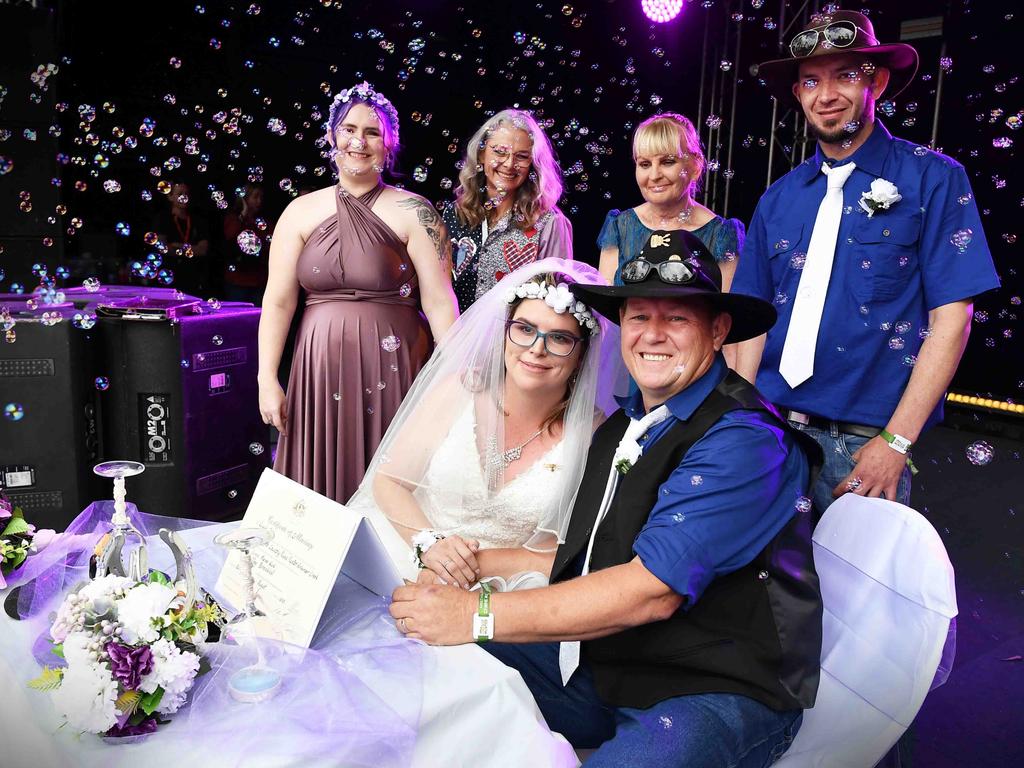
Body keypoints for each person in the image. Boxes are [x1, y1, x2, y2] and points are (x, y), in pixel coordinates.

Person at [390, 230, 824, 766]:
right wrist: (464, 568)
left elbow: (650, 591)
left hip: (712, 686)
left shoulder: (749, 442)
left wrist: (475, 613)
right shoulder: (621, 425)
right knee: (412, 663)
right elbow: (588, 559)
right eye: (640, 316)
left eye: (679, 318)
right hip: (608, 662)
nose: (653, 335)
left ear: (718, 331)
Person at [733, 9, 1000, 515]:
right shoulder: (778, 198)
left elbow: (952, 320)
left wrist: (896, 442)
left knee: (852, 594)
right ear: (798, 94)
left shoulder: (934, 180)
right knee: (759, 594)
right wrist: (741, 423)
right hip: (768, 435)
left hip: (862, 447)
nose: (826, 94)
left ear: (877, 80)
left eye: (845, 76)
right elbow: (751, 322)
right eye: (811, 80)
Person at [348, 258, 620, 588]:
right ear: (505, 332)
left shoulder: (593, 435)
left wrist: (469, 569)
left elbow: (560, 552)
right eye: (525, 329)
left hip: (509, 586)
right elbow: (389, 482)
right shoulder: (458, 391)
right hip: (408, 552)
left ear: (582, 355)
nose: (536, 349)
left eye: (560, 338)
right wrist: (430, 546)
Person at [259, 82, 458, 505]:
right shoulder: (300, 210)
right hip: (318, 368)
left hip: (395, 364)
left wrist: (457, 376)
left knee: (393, 477)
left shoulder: (414, 211)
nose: (358, 141)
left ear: (389, 144)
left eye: (372, 131)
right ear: (331, 137)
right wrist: (266, 378)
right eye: (349, 129)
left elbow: (439, 300)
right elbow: (278, 302)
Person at [442, 109, 573, 313]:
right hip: (451, 338)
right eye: (500, 152)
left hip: (512, 342)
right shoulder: (454, 214)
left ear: (534, 164)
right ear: (481, 153)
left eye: (521, 156)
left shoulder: (550, 223)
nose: (509, 164)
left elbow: (555, 303)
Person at [597, 113, 745, 290]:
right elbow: (605, 310)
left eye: (667, 162)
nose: (654, 175)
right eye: (645, 164)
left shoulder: (721, 235)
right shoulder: (619, 227)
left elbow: (727, 312)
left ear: (696, 166)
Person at [151, 180, 211, 296]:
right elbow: (162, 248)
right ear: (170, 197)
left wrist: (177, 246)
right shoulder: (162, 219)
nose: (184, 197)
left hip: (192, 279)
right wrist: (191, 249)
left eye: (186, 194)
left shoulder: (198, 221)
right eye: (180, 194)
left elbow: (203, 250)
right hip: (168, 279)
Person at [223, 183, 273, 305]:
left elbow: (270, 244)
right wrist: (243, 213)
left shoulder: (263, 222)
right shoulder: (233, 219)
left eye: (261, 197)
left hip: (258, 280)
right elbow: (230, 237)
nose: (259, 201)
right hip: (237, 280)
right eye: (255, 197)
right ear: (244, 199)